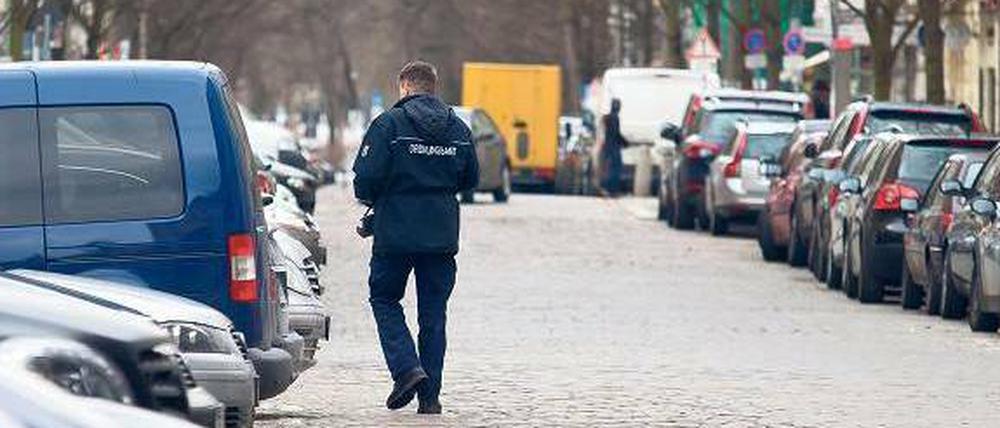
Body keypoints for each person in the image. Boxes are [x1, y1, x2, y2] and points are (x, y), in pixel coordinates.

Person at [352, 61, 479, 414]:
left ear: (405, 86)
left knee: (384, 298)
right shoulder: (458, 128)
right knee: (433, 315)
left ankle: (407, 369)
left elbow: (365, 180)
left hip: (394, 233)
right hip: (441, 236)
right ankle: (430, 398)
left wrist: (378, 199)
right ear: (432, 87)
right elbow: (470, 179)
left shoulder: (388, 125)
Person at [601, 98, 629, 196]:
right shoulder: (615, 118)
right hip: (614, 147)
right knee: (615, 169)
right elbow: (616, 133)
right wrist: (625, 142)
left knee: (609, 169)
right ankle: (613, 190)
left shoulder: (607, 118)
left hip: (608, 147)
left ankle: (608, 188)